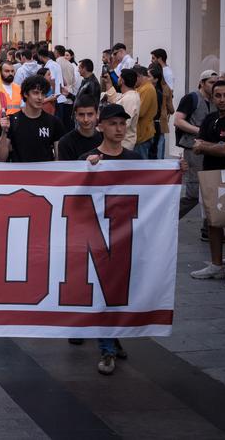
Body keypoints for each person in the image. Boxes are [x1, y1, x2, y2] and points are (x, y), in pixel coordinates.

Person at [77, 103, 142, 376]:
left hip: (126, 233)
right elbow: (75, 197)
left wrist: (176, 170)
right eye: (113, 123)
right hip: (96, 236)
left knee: (119, 290)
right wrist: (86, 169)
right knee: (102, 291)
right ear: (101, 126)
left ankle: (113, 337)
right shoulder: (88, 157)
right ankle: (106, 349)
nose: (119, 128)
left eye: (122, 123)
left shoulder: (136, 159)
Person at [189, 80, 225, 282]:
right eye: (218, 95)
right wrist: (213, 146)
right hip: (211, 175)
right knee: (213, 221)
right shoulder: (209, 119)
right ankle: (216, 265)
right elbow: (196, 144)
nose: (222, 99)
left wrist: (206, 146)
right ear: (212, 97)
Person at [175, 70, 218, 223]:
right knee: (193, 192)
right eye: (211, 82)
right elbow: (178, 120)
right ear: (202, 82)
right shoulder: (191, 98)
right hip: (193, 149)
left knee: (211, 189)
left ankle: (209, 227)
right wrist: (200, 130)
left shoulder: (216, 100)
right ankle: (167, 218)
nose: (214, 86)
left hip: (211, 149)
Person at [0, 75, 63, 163]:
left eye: (43, 93)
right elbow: (1, 158)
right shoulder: (12, 121)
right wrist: (4, 132)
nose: (40, 97)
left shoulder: (54, 122)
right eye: (36, 93)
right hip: (19, 174)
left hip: (44, 174)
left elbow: (59, 158)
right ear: (25, 94)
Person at [102, 69, 140, 150]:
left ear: (122, 81)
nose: (118, 79)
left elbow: (126, 122)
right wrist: (108, 82)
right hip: (120, 141)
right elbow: (114, 99)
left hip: (124, 143)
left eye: (119, 77)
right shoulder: (127, 96)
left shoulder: (130, 98)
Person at [57, 96, 103, 162]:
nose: (86, 119)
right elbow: (66, 171)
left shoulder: (105, 139)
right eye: (81, 114)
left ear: (97, 114)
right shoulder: (65, 142)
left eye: (90, 114)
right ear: (76, 115)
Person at [149, 63, 174, 160]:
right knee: (159, 153)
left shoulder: (146, 88)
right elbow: (171, 109)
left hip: (149, 123)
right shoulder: (166, 88)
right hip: (161, 121)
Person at [133, 66, 158, 159]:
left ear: (138, 76)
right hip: (140, 134)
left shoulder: (147, 89)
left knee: (140, 165)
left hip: (143, 134)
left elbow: (141, 111)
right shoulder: (142, 88)